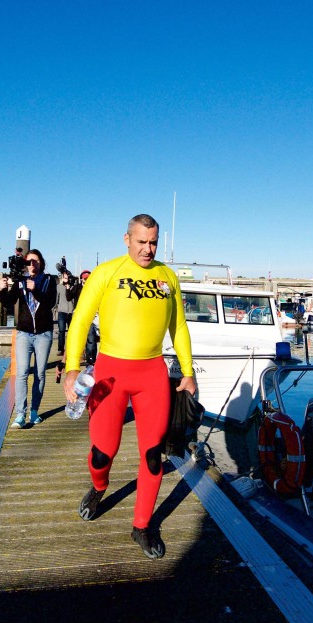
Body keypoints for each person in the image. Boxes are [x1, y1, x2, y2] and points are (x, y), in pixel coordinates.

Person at [62, 214, 196, 559]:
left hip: (152, 373)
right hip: (110, 373)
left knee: (153, 456)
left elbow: (178, 326)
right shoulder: (107, 273)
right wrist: (71, 368)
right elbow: (78, 321)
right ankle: (99, 486)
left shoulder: (167, 277)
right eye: (141, 242)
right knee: (102, 451)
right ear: (126, 239)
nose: (148, 249)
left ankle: (142, 526)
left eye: (153, 242)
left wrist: (188, 371)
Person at [0, 248, 58, 428]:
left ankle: (34, 411)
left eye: (36, 261)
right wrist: (2, 289)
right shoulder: (20, 282)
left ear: (41, 263)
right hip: (24, 333)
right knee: (22, 373)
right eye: (29, 262)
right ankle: (20, 414)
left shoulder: (49, 280)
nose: (32, 265)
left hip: (43, 334)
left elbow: (51, 303)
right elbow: (8, 303)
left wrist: (36, 289)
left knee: (40, 373)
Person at [54, 262, 82, 355]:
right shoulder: (58, 287)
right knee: (61, 331)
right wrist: (55, 309)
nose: (67, 279)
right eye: (65, 278)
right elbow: (56, 300)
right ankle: (60, 349)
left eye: (68, 278)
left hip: (71, 312)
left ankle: (71, 348)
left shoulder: (72, 287)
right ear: (62, 278)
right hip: (62, 311)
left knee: (71, 332)